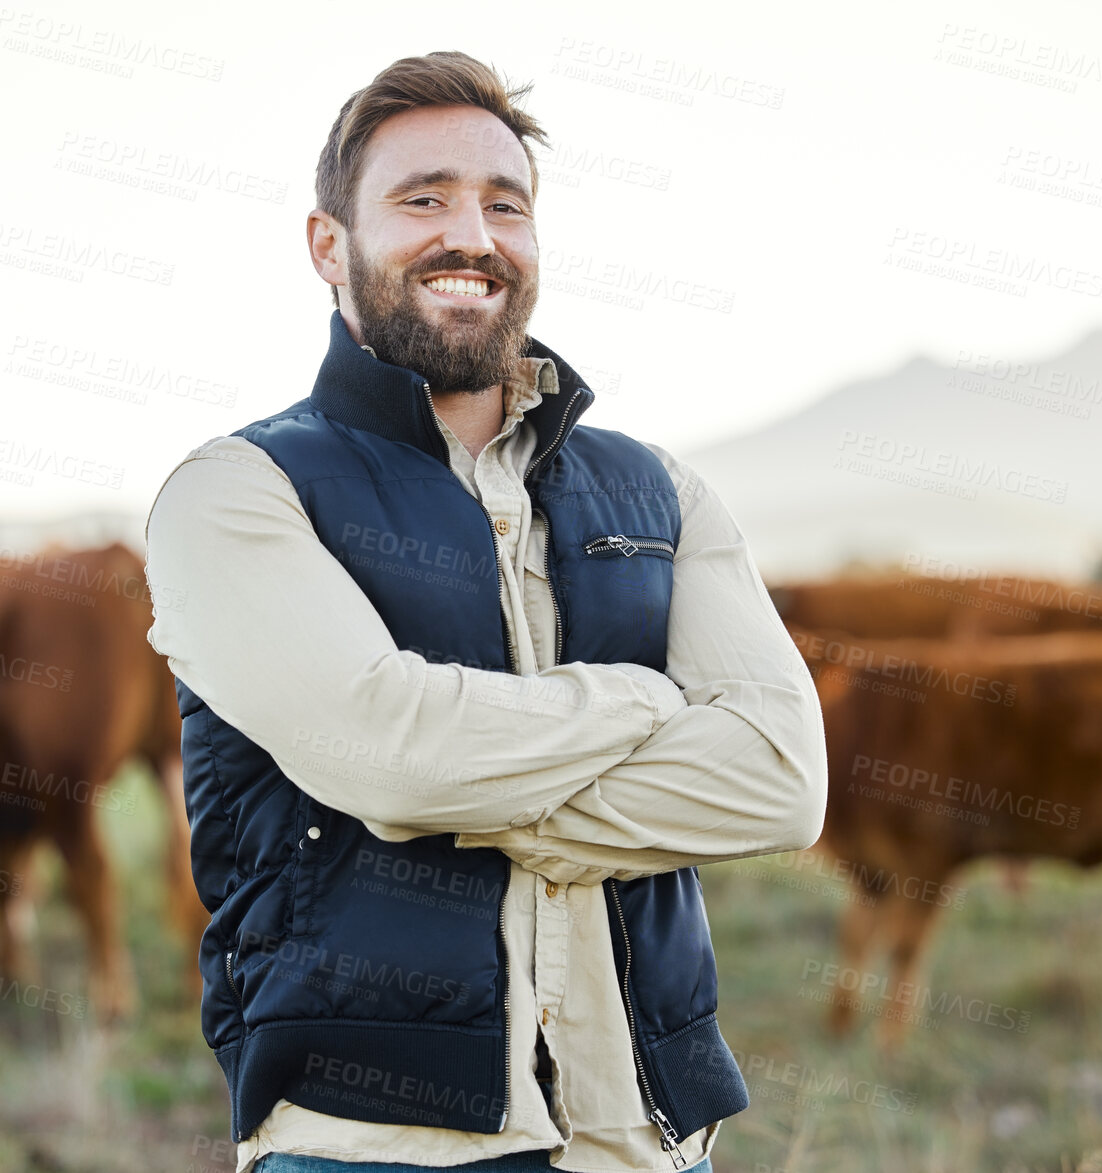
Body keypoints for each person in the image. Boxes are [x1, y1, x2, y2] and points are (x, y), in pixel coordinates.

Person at [144, 50, 827, 1173]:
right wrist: (642, 702)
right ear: (330, 244)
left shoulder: (660, 490)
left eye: (503, 205)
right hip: (369, 1144)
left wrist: (447, 789)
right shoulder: (240, 492)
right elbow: (391, 757)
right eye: (423, 200)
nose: (472, 235)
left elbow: (782, 781)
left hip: (649, 1140)